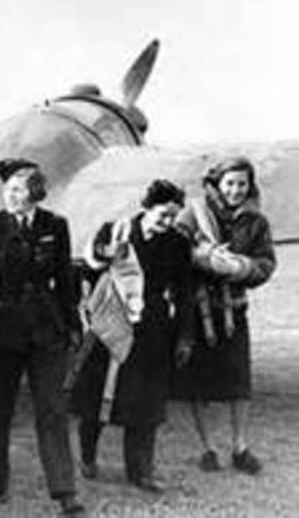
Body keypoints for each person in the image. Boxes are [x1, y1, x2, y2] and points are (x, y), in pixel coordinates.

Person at [0, 158, 84, 515]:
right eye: (8, 190)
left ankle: (65, 492)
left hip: (47, 332)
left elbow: (65, 279)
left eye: (19, 190)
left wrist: (73, 325)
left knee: (52, 411)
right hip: (1, 333)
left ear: (36, 193)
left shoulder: (55, 226)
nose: (12, 196)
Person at [70, 179, 194, 494]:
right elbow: (87, 271)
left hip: (151, 326)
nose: (167, 223)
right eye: (163, 215)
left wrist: (184, 336)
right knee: (96, 396)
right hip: (110, 320)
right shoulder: (115, 231)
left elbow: (184, 293)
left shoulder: (177, 243)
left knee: (147, 403)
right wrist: (104, 254)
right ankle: (87, 457)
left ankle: (140, 471)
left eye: (173, 217)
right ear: (147, 207)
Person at [173, 157, 276, 474]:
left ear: (250, 185)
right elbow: (172, 251)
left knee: (239, 384)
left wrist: (239, 267)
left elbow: (266, 264)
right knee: (198, 384)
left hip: (234, 310)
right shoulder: (193, 213)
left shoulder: (256, 221)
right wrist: (201, 257)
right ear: (217, 183)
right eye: (229, 183)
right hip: (198, 310)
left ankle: (240, 447)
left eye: (242, 183)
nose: (235, 190)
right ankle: (208, 449)